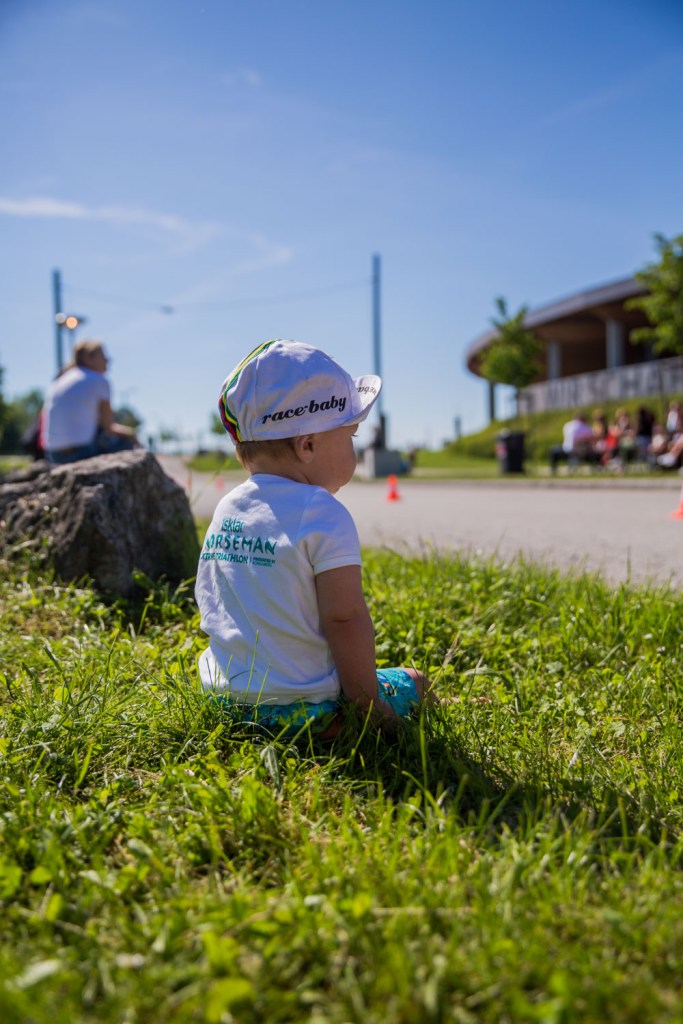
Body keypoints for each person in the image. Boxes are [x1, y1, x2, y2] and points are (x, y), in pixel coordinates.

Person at [195, 338, 433, 737]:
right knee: (416, 680)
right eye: (351, 436)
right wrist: (368, 706)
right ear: (307, 445)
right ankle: (350, 720)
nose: (355, 448)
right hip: (303, 712)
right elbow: (345, 617)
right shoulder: (321, 512)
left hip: (225, 702)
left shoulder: (227, 508)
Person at [42, 340, 139, 465]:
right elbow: (109, 427)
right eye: (103, 356)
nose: (108, 360)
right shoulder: (98, 379)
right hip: (80, 453)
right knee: (126, 442)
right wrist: (132, 435)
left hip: (53, 454)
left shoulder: (62, 379)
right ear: (88, 358)